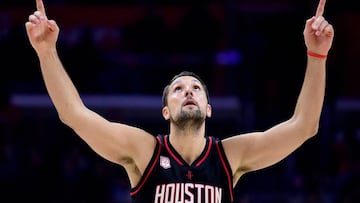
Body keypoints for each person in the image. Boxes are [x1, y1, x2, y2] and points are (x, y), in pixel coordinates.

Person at [25, 0, 334, 202]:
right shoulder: (144, 151)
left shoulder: (230, 156)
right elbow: (74, 115)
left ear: (209, 109)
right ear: (165, 111)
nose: (188, 91)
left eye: (197, 88)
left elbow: (304, 126)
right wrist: (45, 51)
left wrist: (317, 55)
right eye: (178, 89)